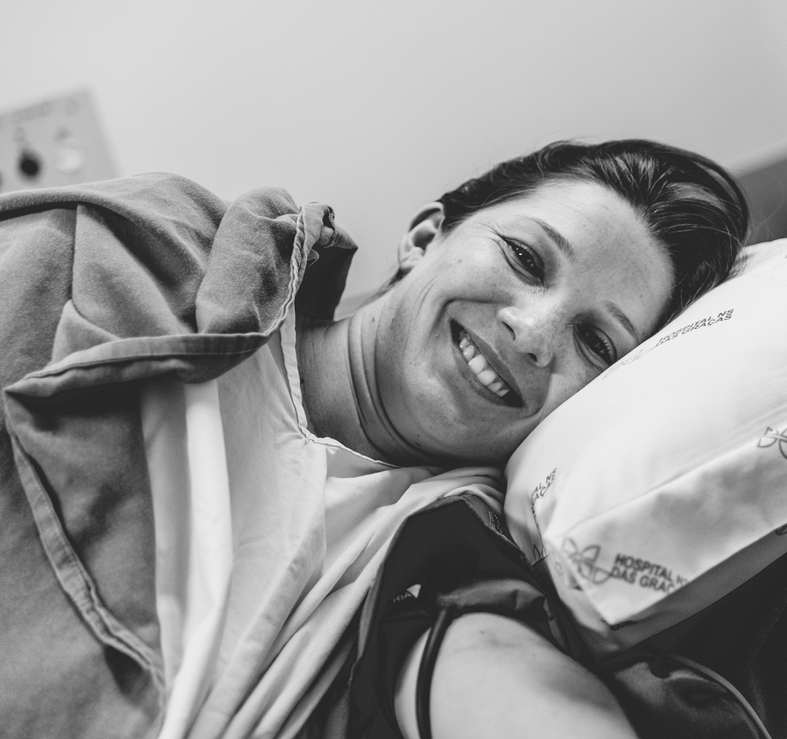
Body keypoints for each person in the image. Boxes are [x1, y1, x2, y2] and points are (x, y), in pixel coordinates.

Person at [0, 139, 748, 738]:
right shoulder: (137, 261)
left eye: (597, 342)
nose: (533, 332)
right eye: (525, 258)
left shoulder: (447, 555)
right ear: (424, 238)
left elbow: (496, 671)